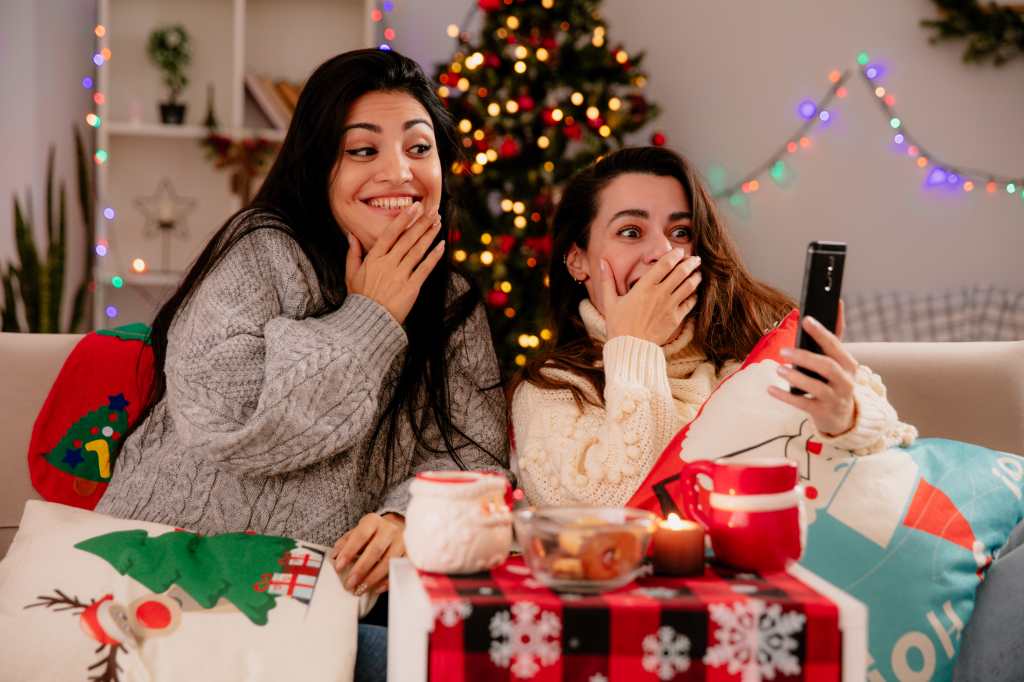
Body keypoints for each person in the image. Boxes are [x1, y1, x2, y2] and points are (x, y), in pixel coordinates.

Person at [95, 48, 509, 680]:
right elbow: (229, 422)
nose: (399, 172)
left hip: (324, 606)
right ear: (319, 163)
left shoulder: (450, 299)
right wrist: (370, 315)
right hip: (171, 596)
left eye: (419, 148)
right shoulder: (260, 251)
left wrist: (407, 517)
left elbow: (473, 452)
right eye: (363, 151)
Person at [510, 146, 916, 508]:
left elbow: (896, 437)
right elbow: (624, 509)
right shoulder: (551, 391)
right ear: (578, 259)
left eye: (680, 232)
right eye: (630, 232)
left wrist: (845, 415)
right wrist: (634, 345)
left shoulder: (756, 345)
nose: (662, 252)